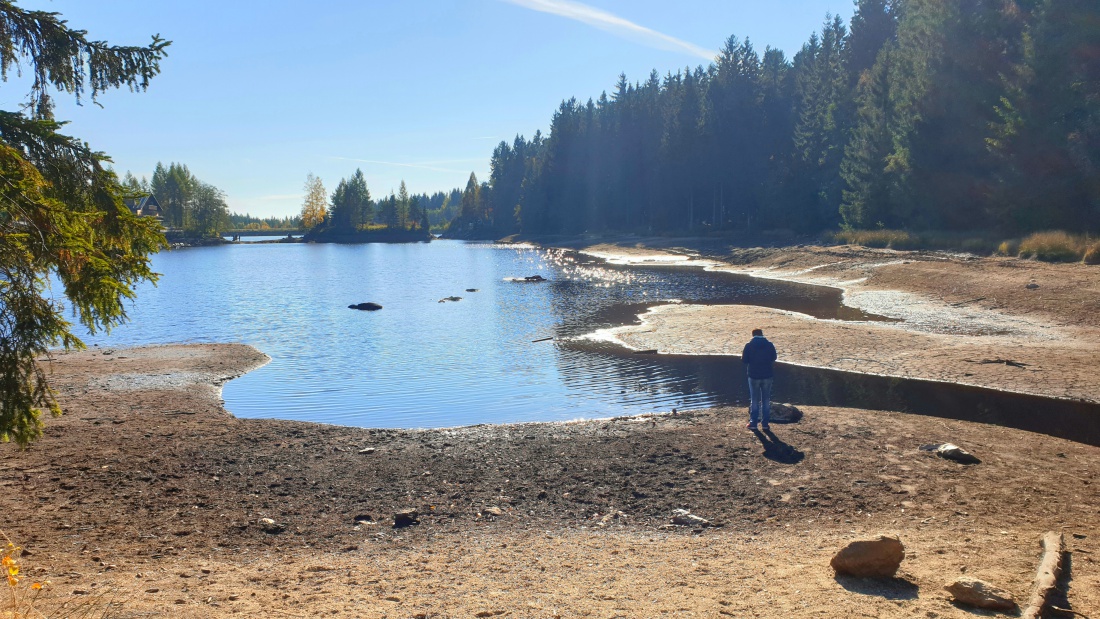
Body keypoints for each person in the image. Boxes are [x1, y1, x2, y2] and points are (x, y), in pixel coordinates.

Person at [741, 328, 777, 431]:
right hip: (767, 375)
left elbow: (744, 360)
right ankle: (765, 424)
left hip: (753, 376)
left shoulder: (749, 346)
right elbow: (774, 357)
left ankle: (753, 423)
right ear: (762, 334)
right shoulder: (769, 345)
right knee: (766, 400)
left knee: (754, 400)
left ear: (753, 335)